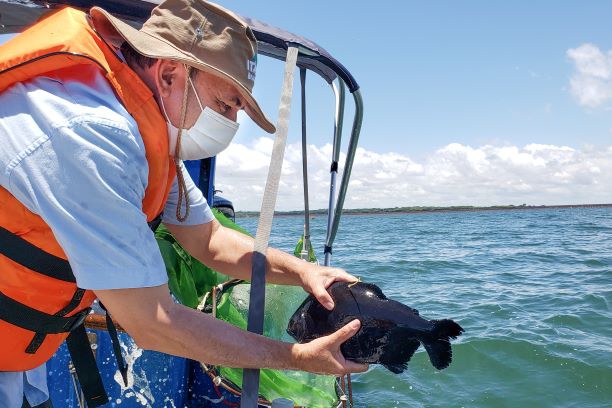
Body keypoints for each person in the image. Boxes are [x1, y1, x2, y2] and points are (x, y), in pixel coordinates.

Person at [0, 0, 367, 406]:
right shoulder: (90, 134)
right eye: (225, 105)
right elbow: (153, 322)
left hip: (17, 352)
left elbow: (209, 239)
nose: (231, 124)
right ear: (172, 73)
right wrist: (296, 357)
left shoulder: (151, 133)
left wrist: (304, 272)